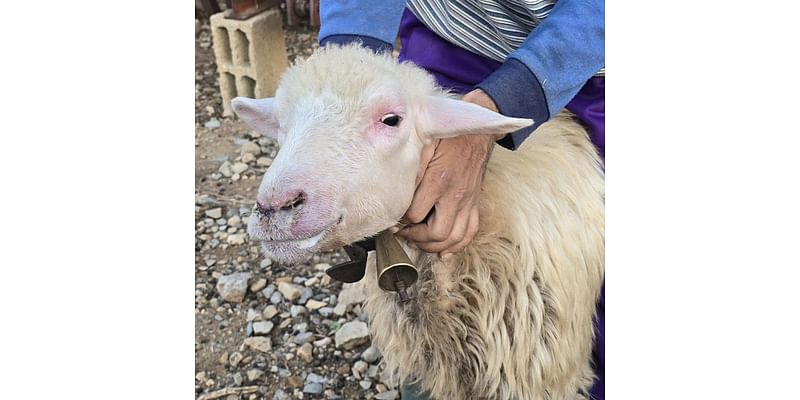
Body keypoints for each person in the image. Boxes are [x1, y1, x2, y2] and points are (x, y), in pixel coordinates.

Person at [318, 1, 604, 398]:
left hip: (590, 54)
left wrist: (497, 108)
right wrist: (347, 74)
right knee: (412, 247)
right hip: (453, 34)